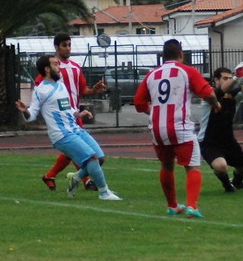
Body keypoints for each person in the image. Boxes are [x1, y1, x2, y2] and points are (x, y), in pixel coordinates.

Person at [133, 39, 221, 218]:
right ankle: (192, 206)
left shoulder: (152, 74)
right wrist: (216, 104)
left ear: (163, 56)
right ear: (180, 55)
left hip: (157, 128)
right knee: (193, 166)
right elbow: (207, 93)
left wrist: (154, 110)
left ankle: (172, 205)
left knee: (166, 165)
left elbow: (138, 103)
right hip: (179, 126)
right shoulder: (187, 71)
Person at [16, 55, 120, 201]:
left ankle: (76, 178)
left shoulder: (61, 85)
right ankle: (104, 192)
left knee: (100, 158)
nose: (59, 68)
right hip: (61, 134)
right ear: (47, 69)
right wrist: (25, 111)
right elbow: (32, 114)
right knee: (91, 159)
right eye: (55, 65)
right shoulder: (40, 90)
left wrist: (79, 113)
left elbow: (68, 108)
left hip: (75, 129)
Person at [37, 33, 107, 191]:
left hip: (75, 116)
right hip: (61, 119)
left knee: (79, 151)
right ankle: (87, 180)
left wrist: (94, 90)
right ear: (56, 47)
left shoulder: (76, 68)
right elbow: (39, 89)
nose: (68, 48)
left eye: (69, 44)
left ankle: (55, 175)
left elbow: (83, 90)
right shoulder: (50, 69)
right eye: (64, 45)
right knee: (82, 151)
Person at [198, 63, 243, 193]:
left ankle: (237, 182)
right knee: (221, 166)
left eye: (229, 78)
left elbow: (242, 93)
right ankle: (227, 186)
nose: (228, 81)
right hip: (209, 142)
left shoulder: (232, 97)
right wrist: (236, 77)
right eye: (224, 78)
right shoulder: (209, 94)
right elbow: (222, 91)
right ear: (215, 80)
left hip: (228, 140)